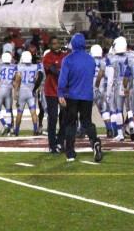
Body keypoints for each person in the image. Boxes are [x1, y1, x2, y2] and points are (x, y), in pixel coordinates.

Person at [58, 33, 103, 163]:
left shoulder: (68, 59)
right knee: (87, 122)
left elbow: (63, 79)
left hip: (72, 95)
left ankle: (70, 152)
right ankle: (95, 141)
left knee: (71, 123)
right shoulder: (90, 60)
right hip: (87, 95)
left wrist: (60, 93)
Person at [42, 37, 68, 153]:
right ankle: (52, 145)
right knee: (52, 118)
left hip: (63, 91)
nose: (56, 45)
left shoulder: (65, 56)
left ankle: (60, 141)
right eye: (53, 43)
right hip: (51, 92)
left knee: (65, 117)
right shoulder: (47, 57)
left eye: (57, 43)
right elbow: (54, 70)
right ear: (50, 45)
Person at [12, 51, 43, 136]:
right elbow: (39, 77)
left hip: (22, 92)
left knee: (19, 112)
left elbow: (17, 80)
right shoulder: (36, 66)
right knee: (33, 112)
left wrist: (15, 92)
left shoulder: (19, 67)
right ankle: (35, 129)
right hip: (31, 91)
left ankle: (16, 131)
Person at [0, 52, 18, 135]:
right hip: (9, 88)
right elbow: (15, 78)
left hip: (1, 88)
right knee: (8, 110)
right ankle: (10, 130)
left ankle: (5, 124)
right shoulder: (14, 67)